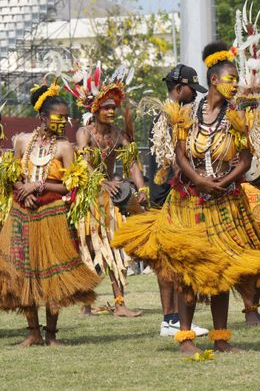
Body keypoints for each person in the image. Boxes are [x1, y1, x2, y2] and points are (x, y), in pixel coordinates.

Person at [112, 41, 260, 353]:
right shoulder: (188, 114)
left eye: (238, 80)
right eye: (231, 79)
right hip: (188, 200)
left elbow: (244, 160)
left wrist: (222, 182)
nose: (236, 84)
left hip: (224, 200)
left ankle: (220, 339)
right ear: (215, 80)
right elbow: (179, 155)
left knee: (221, 269)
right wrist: (199, 180)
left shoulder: (238, 118)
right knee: (187, 270)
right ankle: (186, 338)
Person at [0, 83, 100, 346]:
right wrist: (24, 189)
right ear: (43, 117)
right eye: (59, 117)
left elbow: (70, 184)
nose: (64, 122)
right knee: (25, 272)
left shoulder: (64, 147)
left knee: (52, 273)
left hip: (52, 214)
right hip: (23, 214)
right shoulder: (22, 141)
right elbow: (13, 175)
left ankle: (52, 335)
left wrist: (40, 186)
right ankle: (32, 332)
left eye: (66, 117)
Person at [64, 64, 148, 318]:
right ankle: (86, 304)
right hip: (88, 198)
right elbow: (82, 163)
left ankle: (120, 304)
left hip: (111, 198)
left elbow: (131, 162)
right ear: (96, 109)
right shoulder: (84, 133)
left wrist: (142, 186)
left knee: (115, 248)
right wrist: (101, 182)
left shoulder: (119, 135)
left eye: (114, 107)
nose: (111, 111)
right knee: (89, 247)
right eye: (106, 108)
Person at [146, 64, 208, 337]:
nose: (195, 96)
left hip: (171, 192)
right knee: (169, 260)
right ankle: (171, 318)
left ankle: (174, 318)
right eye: (192, 90)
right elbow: (171, 161)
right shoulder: (167, 116)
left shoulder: (178, 114)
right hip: (168, 195)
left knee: (173, 259)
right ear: (179, 88)